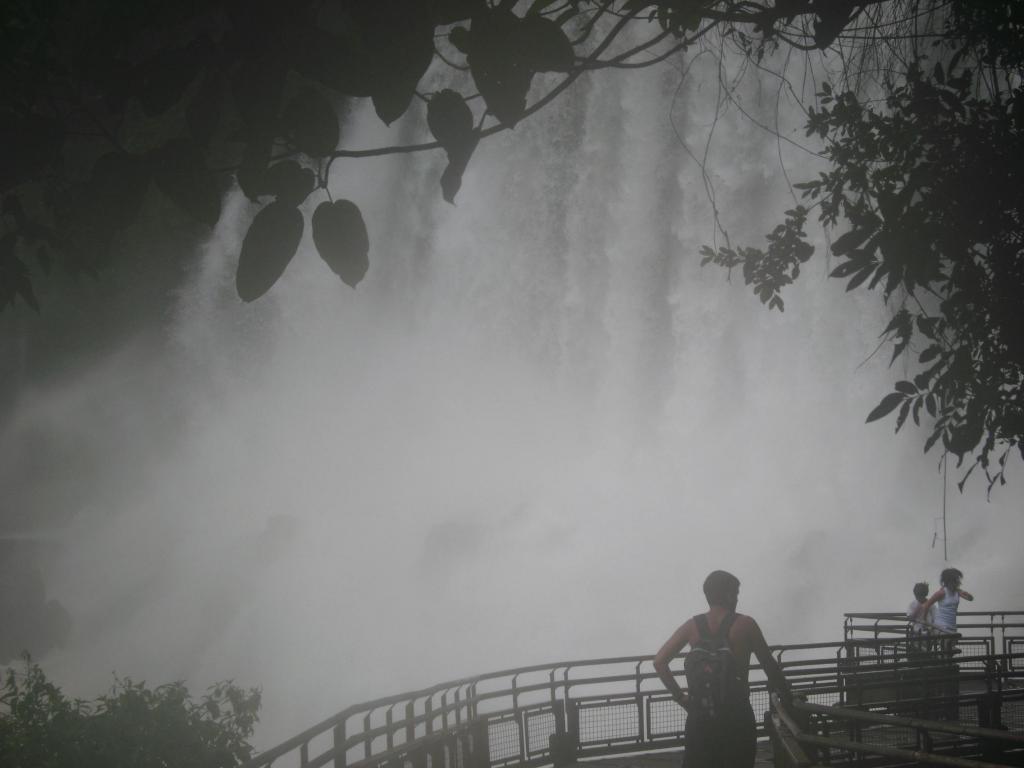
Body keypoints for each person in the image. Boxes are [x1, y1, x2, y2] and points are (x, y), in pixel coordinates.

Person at [653, 570, 791, 768]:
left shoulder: (692, 626)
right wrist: (788, 697)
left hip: (700, 718)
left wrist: (681, 698)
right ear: (728, 595)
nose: (737, 599)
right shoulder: (746, 624)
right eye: (736, 593)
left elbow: (659, 662)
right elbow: (770, 667)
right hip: (737, 716)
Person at [921, 567, 974, 634]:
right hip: (941, 627)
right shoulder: (941, 592)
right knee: (947, 640)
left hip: (952, 626)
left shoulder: (957, 592)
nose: (958, 582)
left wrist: (967, 594)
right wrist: (924, 621)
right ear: (948, 581)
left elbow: (970, 599)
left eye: (957, 580)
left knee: (952, 639)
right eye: (955, 580)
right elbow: (926, 605)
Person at [906, 581, 936, 656]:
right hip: (916, 633)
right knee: (916, 653)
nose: (919, 598)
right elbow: (910, 618)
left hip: (928, 633)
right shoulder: (912, 604)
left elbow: (935, 619)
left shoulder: (931, 605)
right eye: (918, 596)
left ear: (925, 594)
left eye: (921, 595)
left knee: (925, 654)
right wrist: (919, 607)